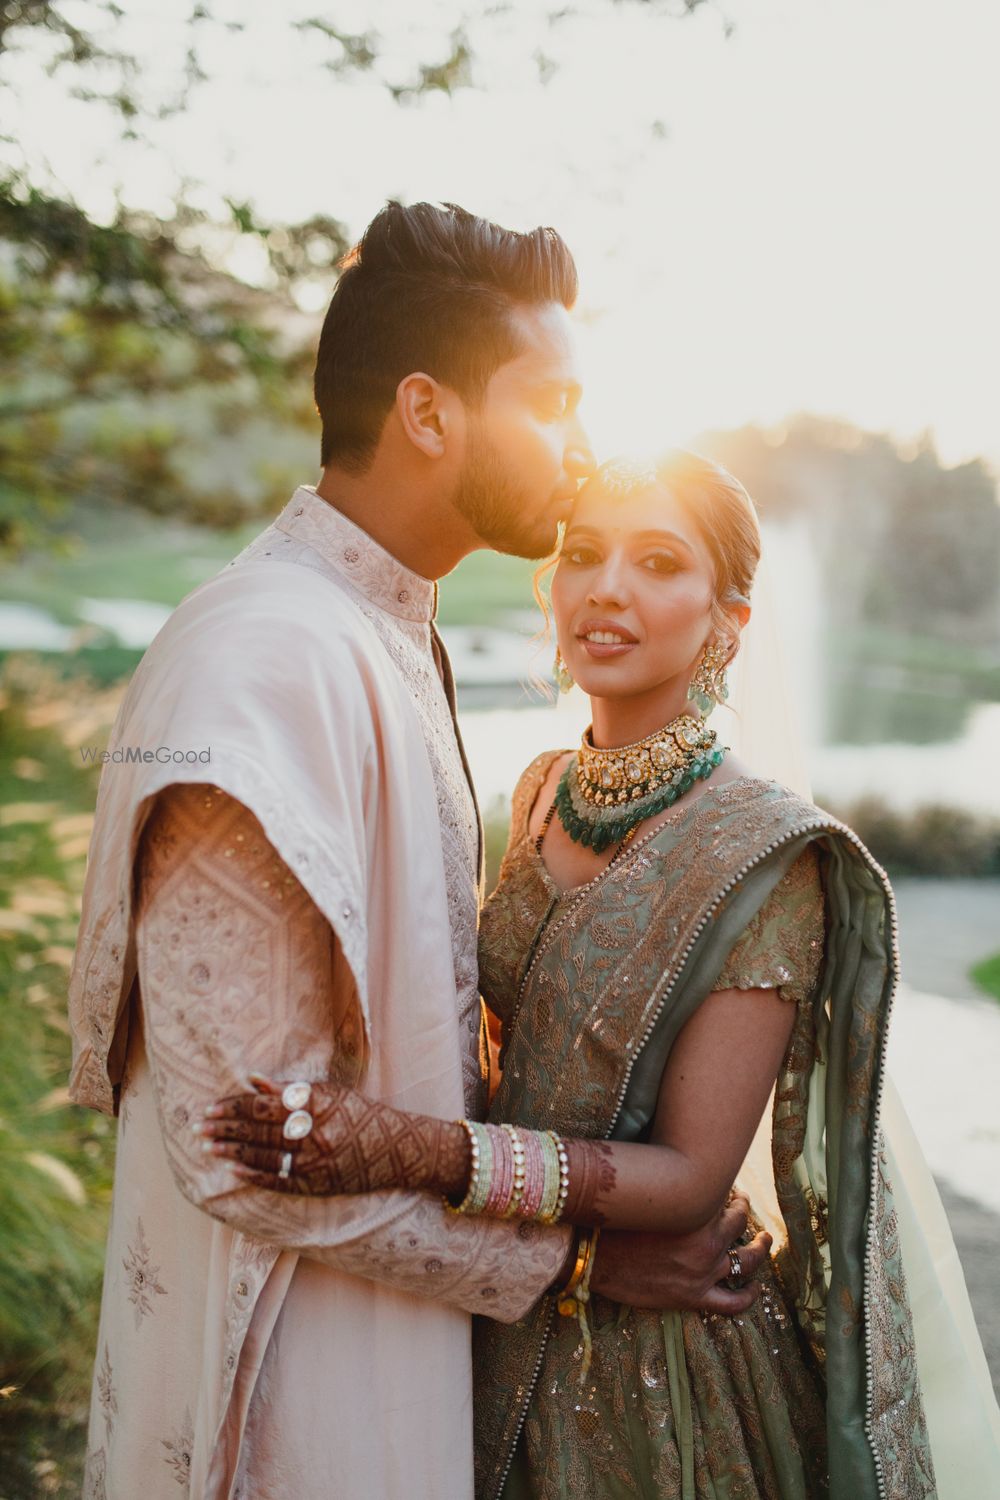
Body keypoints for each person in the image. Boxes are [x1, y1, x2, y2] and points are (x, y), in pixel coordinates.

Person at [67, 207, 770, 1500]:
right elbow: (239, 1143)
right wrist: (578, 1266)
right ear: (430, 414)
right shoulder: (264, 660)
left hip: (392, 1353)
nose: (582, 445)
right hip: (283, 1385)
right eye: (552, 402)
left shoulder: (383, 630)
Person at [206, 450, 999, 1498]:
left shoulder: (766, 857)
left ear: (728, 623)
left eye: (659, 561)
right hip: (507, 1312)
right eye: (583, 555)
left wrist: (408, 1150)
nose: (607, 587)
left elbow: (688, 1179)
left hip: (660, 1374)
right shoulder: (541, 792)